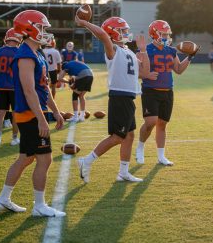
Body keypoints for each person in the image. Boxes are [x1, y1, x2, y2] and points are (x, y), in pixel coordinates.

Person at [0, 10, 66, 217]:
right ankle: (39, 206)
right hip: (30, 114)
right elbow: (28, 90)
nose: (45, 32)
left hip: (35, 112)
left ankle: (3, 199)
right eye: (41, 28)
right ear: (29, 28)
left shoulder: (38, 53)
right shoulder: (25, 54)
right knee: (45, 160)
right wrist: (42, 119)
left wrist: (56, 111)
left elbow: (43, 87)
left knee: (26, 158)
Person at [76, 16, 150, 184]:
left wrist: (143, 51)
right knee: (118, 137)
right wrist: (85, 23)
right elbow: (102, 35)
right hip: (120, 96)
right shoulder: (113, 50)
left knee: (129, 135)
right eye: (122, 30)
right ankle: (86, 161)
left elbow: (144, 72)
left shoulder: (129, 51)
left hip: (129, 97)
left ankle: (123, 172)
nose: (126, 33)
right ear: (113, 33)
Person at [136, 20, 197, 166]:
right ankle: (140, 147)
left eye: (167, 34)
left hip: (167, 91)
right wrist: (146, 75)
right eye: (163, 34)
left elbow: (178, 70)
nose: (166, 36)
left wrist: (190, 57)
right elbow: (136, 72)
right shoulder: (146, 50)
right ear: (154, 34)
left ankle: (161, 156)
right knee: (150, 122)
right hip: (151, 90)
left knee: (162, 124)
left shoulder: (170, 50)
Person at [0, 28, 21, 148]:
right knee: (16, 114)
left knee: (0, 113)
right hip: (15, 87)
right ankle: (14, 138)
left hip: (1, 86)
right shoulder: (20, 52)